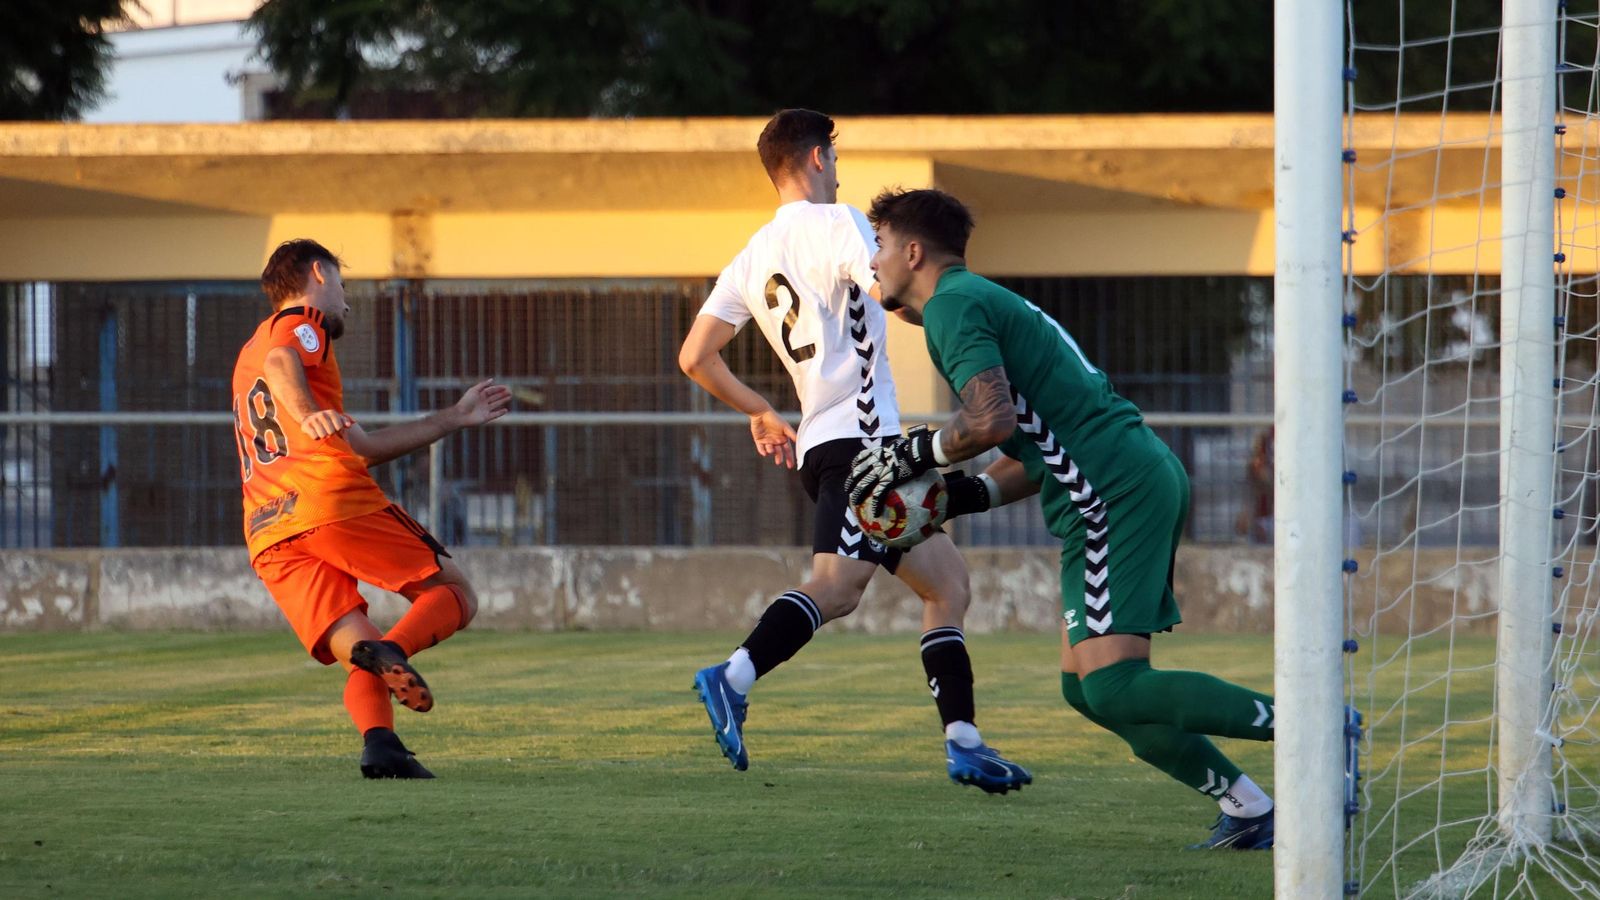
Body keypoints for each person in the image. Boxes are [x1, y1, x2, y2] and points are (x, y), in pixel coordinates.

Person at [849, 188, 1277, 848]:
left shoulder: (955, 306)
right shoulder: (973, 301)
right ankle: (1249, 807)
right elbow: (1033, 446)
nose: (871, 261)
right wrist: (962, 495)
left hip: (1113, 490)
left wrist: (913, 450)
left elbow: (991, 421)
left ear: (913, 252)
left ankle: (1314, 725)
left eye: (878, 246)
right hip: (1109, 485)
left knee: (1115, 684)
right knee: (1085, 689)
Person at [678, 109, 1030, 793]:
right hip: (863, 447)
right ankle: (732, 676)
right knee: (838, 587)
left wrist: (759, 409)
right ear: (815, 157)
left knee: (947, 585)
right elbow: (892, 290)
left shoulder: (752, 255)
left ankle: (965, 742)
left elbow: (696, 357)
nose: (837, 169)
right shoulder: (839, 225)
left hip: (827, 444)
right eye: (833, 157)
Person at [230, 239, 511, 779]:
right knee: (456, 593)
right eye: (344, 286)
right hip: (328, 501)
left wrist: (452, 417)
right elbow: (284, 359)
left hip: (269, 531)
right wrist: (310, 411)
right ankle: (391, 655)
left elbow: (364, 447)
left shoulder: (245, 356)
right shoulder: (301, 324)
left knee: (358, 645)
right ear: (318, 273)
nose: (346, 304)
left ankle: (381, 748)